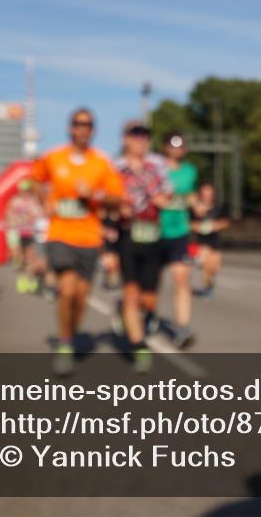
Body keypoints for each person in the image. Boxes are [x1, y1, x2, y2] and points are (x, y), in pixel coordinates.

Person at [32, 108, 124, 376]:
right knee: (68, 290)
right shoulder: (53, 157)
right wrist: (44, 201)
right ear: (70, 127)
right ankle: (65, 343)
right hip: (60, 233)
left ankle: (69, 333)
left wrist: (94, 194)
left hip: (89, 237)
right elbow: (36, 179)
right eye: (78, 123)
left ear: (93, 130)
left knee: (81, 298)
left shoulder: (102, 162)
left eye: (88, 124)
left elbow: (117, 198)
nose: (82, 129)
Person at [115, 121, 173, 372]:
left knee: (149, 298)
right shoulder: (115, 168)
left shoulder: (157, 165)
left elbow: (167, 194)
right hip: (127, 235)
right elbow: (107, 198)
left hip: (153, 234)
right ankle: (139, 346)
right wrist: (118, 206)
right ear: (125, 138)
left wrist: (161, 199)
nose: (140, 140)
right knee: (131, 292)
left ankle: (131, 313)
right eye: (135, 135)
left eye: (144, 136)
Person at [158, 133, 199, 349]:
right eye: (173, 144)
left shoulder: (190, 171)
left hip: (180, 232)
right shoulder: (155, 168)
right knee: (150, 284)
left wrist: (196, 204)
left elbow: (191, 195)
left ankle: (182, 328)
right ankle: (144, 314)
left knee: (181, 278)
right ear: (165, 147)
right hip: (155, 231)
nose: (177, 149)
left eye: (181, 145)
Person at [191, 182, 230, 299]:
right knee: (207, 263)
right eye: (205, 193)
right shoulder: (195, 209)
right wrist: (197, 226)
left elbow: (226, 221)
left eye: (210, 193)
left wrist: (216, 225)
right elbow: (189, 223)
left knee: (215, 266)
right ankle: (207, 288)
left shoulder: (218, 208)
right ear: (201, 194)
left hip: (215, 240)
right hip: (201, 241)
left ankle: (209, 284)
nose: (207, 195)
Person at [6, 179, 44, 294]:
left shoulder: (34, 201)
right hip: (17, 232)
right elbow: (9, 215)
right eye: (23, 190)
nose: (25, 192)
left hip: (30, 232)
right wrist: (14, 221)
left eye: (27, 190)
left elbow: (36, 215)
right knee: (18, 257)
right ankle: (22, 278)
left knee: (30, 257)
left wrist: (25, 219)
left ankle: (30, 279)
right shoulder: (15, 201)